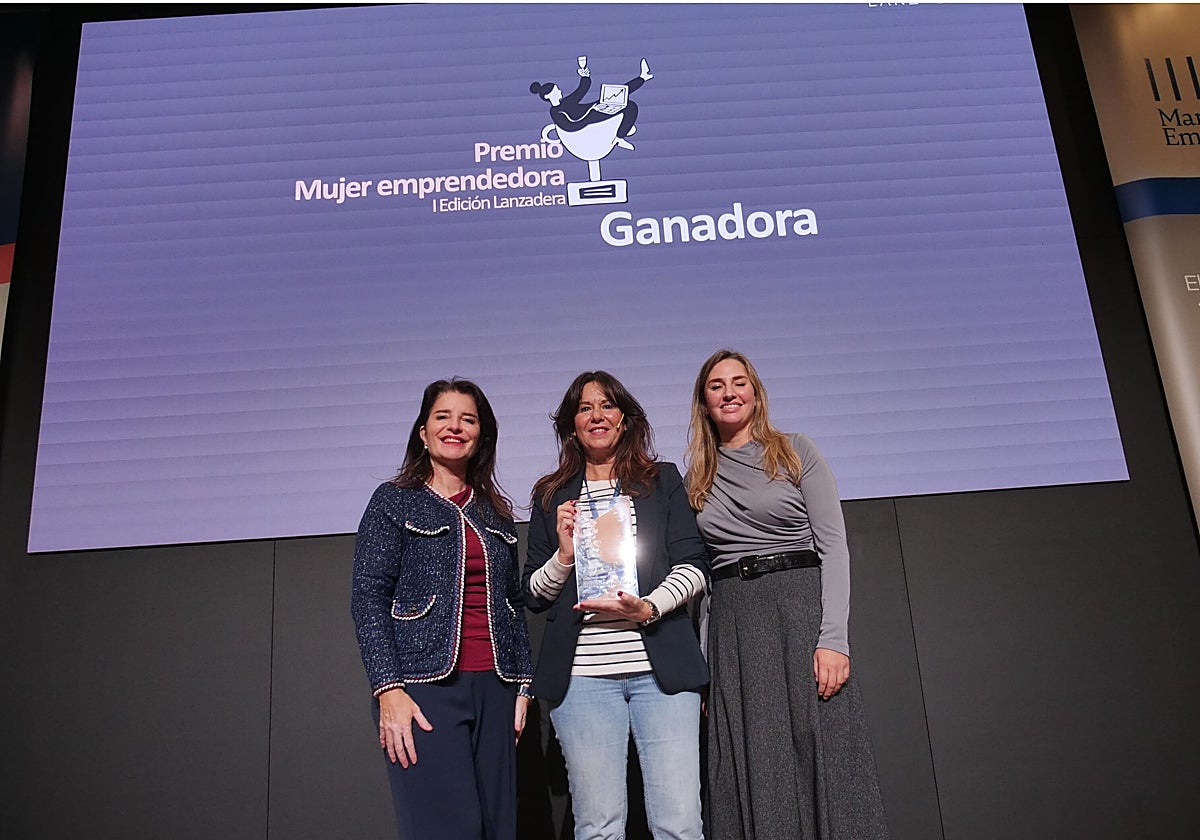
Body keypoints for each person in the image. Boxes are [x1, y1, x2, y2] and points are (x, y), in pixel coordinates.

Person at [686, 350, 890, 840]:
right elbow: (705, 582)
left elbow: (833, 547)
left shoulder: (795, 451)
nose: (729, 393)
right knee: (757, 759)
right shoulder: (697, 477)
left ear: (756, 393)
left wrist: (834, 640)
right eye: (717, 385)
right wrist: (706, 666)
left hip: (798, 611)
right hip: (736, 627)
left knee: (824, 752)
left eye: (739, 382)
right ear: (704, 402)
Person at [522, 371, 708, 840]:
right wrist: (563, 556)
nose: (597, 416)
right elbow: (535, 595)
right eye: (585, 408)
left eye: (607, 405)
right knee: (598, 827)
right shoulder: (551, 495)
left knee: (679, 825)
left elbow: (693, 565)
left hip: (661, 674)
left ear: (624, 419)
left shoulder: (661, 481)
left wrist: (648, 608)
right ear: (571, 424)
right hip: (582, 680)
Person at [351, 378, 534, 840]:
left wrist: (523, 686)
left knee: (497, 829)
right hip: (424, 689)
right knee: (449, 828)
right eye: (443, 417)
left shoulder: (495, 513)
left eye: (467, 419)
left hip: (496, 687)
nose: (455, 427)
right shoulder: (393, 501)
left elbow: (512, 604)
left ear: (481, 435)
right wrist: (388, 689)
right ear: (423, 431)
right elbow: (368, 597)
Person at [531, 58, 653, 150]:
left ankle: (642, 77)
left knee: (620, 94)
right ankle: (620, 136)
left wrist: (585, 75)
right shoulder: (555, 112)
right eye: (556, 90)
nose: (559, 91)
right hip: (591, 118)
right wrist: (591, 112)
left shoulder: (566, 101)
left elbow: (581, 90)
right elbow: (570, 126)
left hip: (594, 110)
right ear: (548, 96)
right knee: (629, 106)